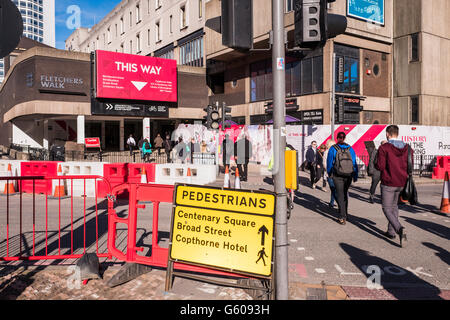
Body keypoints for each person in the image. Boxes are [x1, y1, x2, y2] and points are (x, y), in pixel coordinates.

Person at [375, 125, 411, 247]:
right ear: (397, 133)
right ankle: (391, 231)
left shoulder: (384, 148)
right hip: (401, 182)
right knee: (394, 206)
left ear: (387, 134)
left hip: (388, 181)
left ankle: (399, 229)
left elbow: (379, 166)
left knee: (386, 208)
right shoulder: (407, 148)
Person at [326, 132, 358, 225]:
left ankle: (342, 216)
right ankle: (345, 213)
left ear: (337, 138)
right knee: (345, 194)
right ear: (344, 138)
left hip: (337, 175)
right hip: (348, 175)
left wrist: (329, 173)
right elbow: (354, 162)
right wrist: (355, 175)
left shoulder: (333, 148)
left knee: (340, 194)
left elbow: (329, 162)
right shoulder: (350, 148)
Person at [324, 139, 337, 208]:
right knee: (334, 189)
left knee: (334, 189)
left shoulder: (332, 152)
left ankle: (332, 202)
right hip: (332, 174)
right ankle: (339, 203)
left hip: (333, 174)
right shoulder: (328, 152)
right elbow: (325, 164)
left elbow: (325, 165)